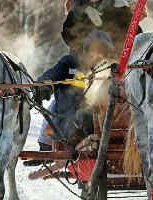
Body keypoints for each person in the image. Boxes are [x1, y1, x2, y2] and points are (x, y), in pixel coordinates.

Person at [24, 30, 114, 166]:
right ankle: (47, 149)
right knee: (57, 108)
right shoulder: (70, 63)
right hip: (69, 119)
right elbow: (52, 74)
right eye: (93, 50)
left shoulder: (111, 68)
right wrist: (45, 85)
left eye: (101, 51)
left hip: (103, 122)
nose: (96, 55)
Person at [62, 0, 145, 59]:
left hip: (113, 62)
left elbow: (135, 34)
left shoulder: (118, 8)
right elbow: (68, 35)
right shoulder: (77, 11)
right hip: (83, 63)